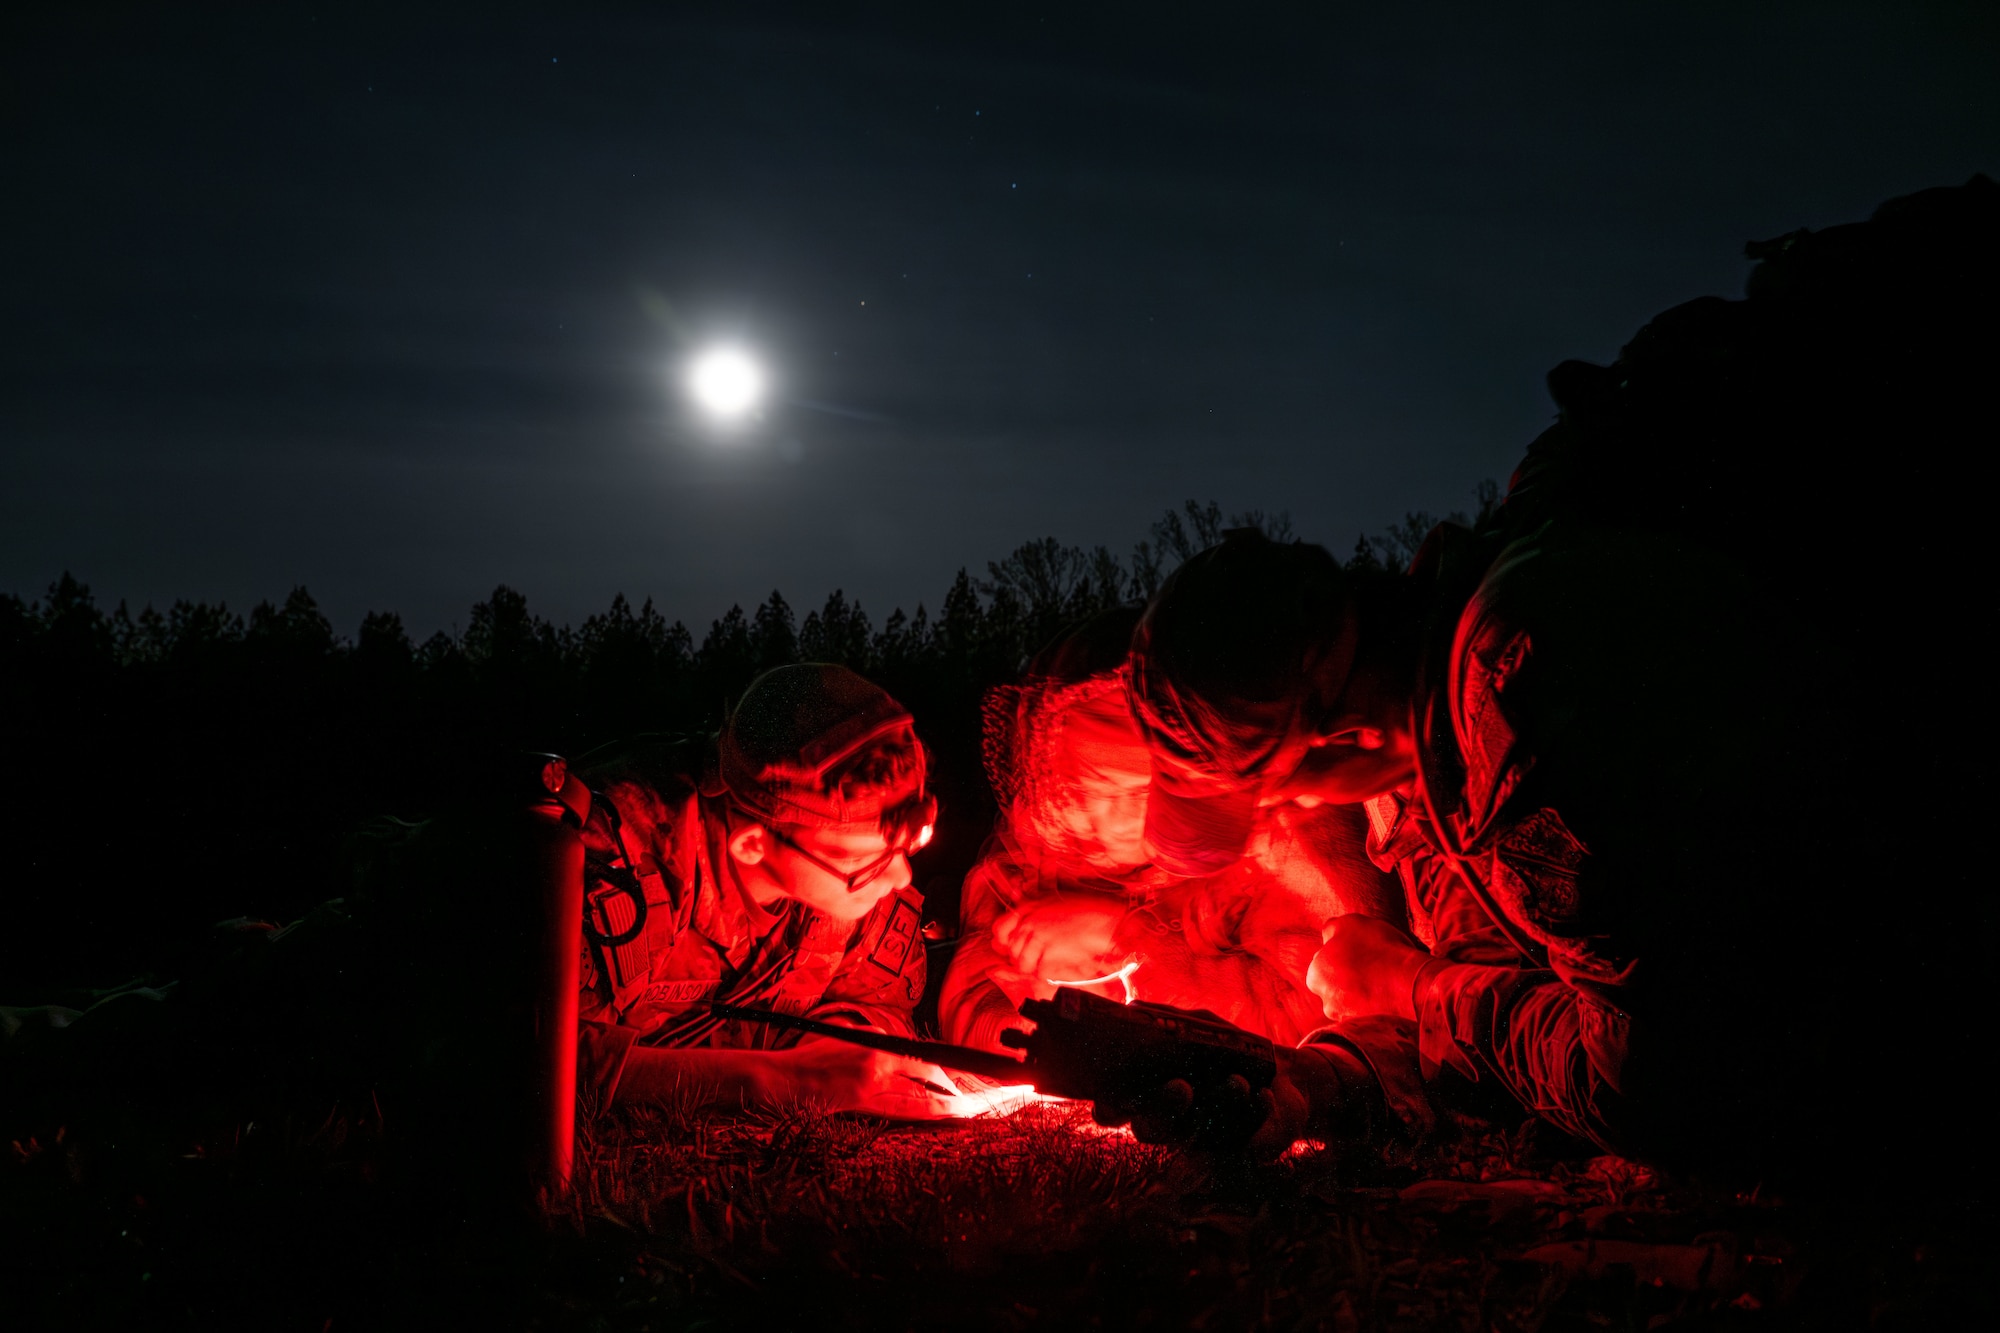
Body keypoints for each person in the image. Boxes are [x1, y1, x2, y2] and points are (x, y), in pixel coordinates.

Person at [1097, 177, 1995, 1178]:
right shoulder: (1447, 699)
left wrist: (1413, 989)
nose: (1299, 826)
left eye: (1278, 800)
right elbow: (1530, 976)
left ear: (1340, 741)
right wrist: (1326, 1075)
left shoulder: (1517, 681)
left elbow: (1664, 1085)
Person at [939, 607, 1403, 1054]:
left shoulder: (1281, 830)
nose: (1091, 821)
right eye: (1074, 787)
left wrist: (1127, 940)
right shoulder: (1042, 843)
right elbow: (973, 988)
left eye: (1127, 791)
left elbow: (1328, 1014)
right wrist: (1021, 1033)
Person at [569, 662, 969, 1118]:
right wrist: (778, 1080)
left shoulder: (853, 883)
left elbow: (874, 997)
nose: (899, 877)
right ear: (753, 844)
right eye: (864, 863)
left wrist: (840, 1042)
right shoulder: (616, 858)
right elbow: (544, 1058)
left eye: (907, 848)